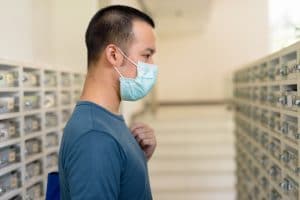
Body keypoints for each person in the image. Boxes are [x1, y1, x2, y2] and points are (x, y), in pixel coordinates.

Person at [58, 5, 158, 200]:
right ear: (114, 55)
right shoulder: (95, 137)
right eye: (146, 55)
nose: (152, 66)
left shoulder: (107, 121)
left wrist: (137, 161)